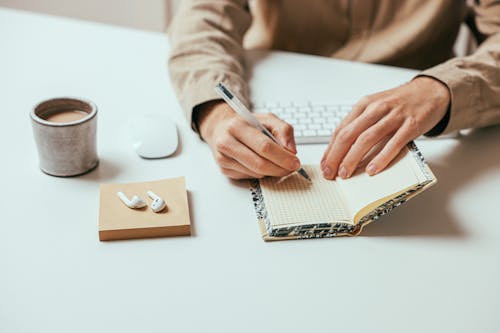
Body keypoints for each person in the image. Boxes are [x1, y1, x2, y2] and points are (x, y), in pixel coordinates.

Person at [168, 0, 500, 180]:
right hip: (266, 103)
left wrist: (439, 89)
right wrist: (215, 113)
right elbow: (201, 18)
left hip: (431, 127)